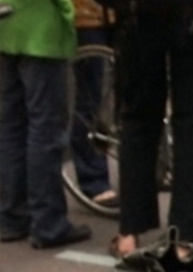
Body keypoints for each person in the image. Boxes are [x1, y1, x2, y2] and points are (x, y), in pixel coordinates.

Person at [108, 0, 193, 259]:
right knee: (192, 124)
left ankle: (129, 234)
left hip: (138, 16)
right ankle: (186, 236)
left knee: (138, 120)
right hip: (189, 16)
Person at [0, 0, 91, 250]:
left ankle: (12, 216)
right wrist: (68, 15)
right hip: (41, 28)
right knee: (45, 130)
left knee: (11, 126)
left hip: (4, 23)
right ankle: (48, 222)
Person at [67, 0, 116, 211]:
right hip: (85, 14)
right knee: (89, 101)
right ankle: (93, 180)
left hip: (120, 11)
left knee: (134, 93)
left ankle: (151, 170)